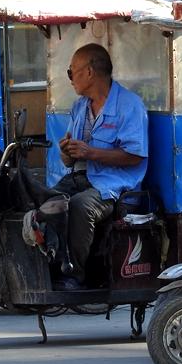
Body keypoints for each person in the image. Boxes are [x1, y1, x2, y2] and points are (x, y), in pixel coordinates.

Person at [53, 43, 148, 290]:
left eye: (71, 71)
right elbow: (69, 161)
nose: (70, 78)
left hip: (114, 187)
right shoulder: (79, 107)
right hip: (79, 178)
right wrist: (67, 152)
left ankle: (74, 274)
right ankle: (48, 267)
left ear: (89, 72)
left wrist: (91, 152)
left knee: (80, 206)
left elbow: (135, 156)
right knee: (44, 202)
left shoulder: (130, 105)